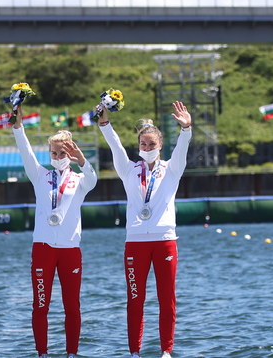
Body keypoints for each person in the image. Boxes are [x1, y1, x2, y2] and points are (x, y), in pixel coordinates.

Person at [97, 101, 192, 358]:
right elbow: (116, 147)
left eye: (152, 144)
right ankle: (134, 353)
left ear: (160, 145)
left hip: (164, 241)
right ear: (138, 147)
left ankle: (166, 352)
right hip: (135, 242)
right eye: (143, 144)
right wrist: (105, 124)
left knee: (166, 299)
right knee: (135, 300)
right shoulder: (128, 170)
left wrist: (186, 130)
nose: (147, 148)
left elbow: (182, 151)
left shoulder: (172, 169)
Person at [12, 104, 97, 358]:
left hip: (70, 250)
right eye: (53, 152)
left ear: (70, 153)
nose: (57, 156)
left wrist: (82, 159)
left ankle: (72, 354)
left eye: (62, 152)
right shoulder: (39, 175)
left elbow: (93, 179)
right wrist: (18, 127)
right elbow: (26, 152)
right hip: (43, 249)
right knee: (40, 305)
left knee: (72, 307)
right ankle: (42, 354)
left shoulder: (80, 181)